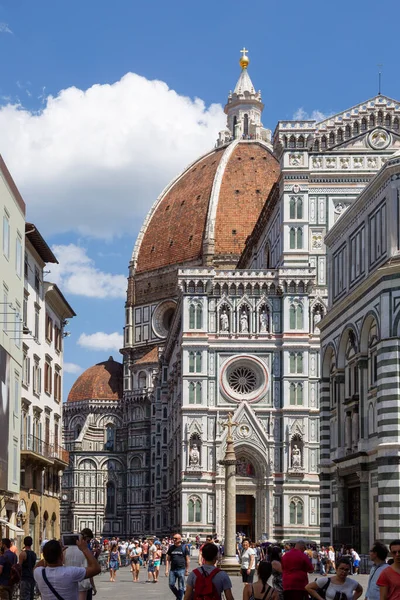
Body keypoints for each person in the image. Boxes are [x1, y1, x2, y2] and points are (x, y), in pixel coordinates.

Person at [34, 539, 100, 600]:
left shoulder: (39, 573)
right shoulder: (71, 572)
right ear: (61, 556)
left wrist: (49, 555)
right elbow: (96, 569)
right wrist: (85, 549)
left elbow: (36, 567)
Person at [64, 528, 96, 600]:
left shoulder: (66, 550)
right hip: (83, 583)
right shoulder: (86, 551)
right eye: (89, 540)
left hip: (69, 582)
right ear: (86, 539)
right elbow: (91, 569)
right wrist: (93, 585)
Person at [166, 533, 190, 600]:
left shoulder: (184, 548)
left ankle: (179, 598)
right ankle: (179, 596)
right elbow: (168, 559)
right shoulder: (171, 548)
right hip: (173, 570)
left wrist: (187, 570)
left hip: (181, 569)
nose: (174, 539)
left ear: (179, 539)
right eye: (173, 538)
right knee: (171, 585)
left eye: (175, 538)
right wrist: (166, 570)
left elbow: (187, 560)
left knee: (181, 587)